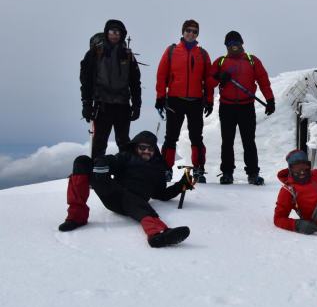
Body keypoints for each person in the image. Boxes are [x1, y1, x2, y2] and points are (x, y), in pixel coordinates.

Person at [57, 131, 194, 248]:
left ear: (155, 150)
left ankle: (157, 235)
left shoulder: (158, 170)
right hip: (113, 193)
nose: (146, 151)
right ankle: (76, 217)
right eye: (142, 147)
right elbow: (112, 161)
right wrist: (102, 162)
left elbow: (161, 194)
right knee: (82, 161)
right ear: (135, 147)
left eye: (150, 148)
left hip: (135, 204)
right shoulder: (126, 157)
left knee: (133, 199)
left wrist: (182, 184)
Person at [210, 30, 276, 185]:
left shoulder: (252, 61)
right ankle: (227, 173)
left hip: (247, 106)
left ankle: (253, 173)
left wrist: (270, 99)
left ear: (242, 44)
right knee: (227, 141)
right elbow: (209, 82)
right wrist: (220, 78)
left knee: (249, 141)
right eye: (230, 44)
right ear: (226, 46)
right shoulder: (220, 62)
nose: (234, 46)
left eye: (236, 43)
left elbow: (263, 81)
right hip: (226, 106)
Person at [155, 19, 215, 182]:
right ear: (183, 32)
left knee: (197, 137)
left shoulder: (202, 54)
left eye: (195, 31)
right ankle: (166, 169)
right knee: (171, 137)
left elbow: (208, 79)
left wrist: (209, 100)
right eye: (188, 30)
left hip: (195, 101)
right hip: (175, 100)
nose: (191, 33)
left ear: (197, 34)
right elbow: (161, 75)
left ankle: (198, 170)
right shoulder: (172, 51)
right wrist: (160, 97)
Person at [79, 19, 141, 158]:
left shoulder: (128, 55)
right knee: (100, 143)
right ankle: (97, 174)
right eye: (112, 31)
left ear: (122, 34)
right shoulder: (94, 53)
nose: (115, 34)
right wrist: (87, 104)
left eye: (118, 32)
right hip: (102, 105)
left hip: (123, 105)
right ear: (107, 32)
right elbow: (86, 81)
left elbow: (135, 82)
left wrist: (137, 105)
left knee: (124, 142)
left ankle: (125, 176)